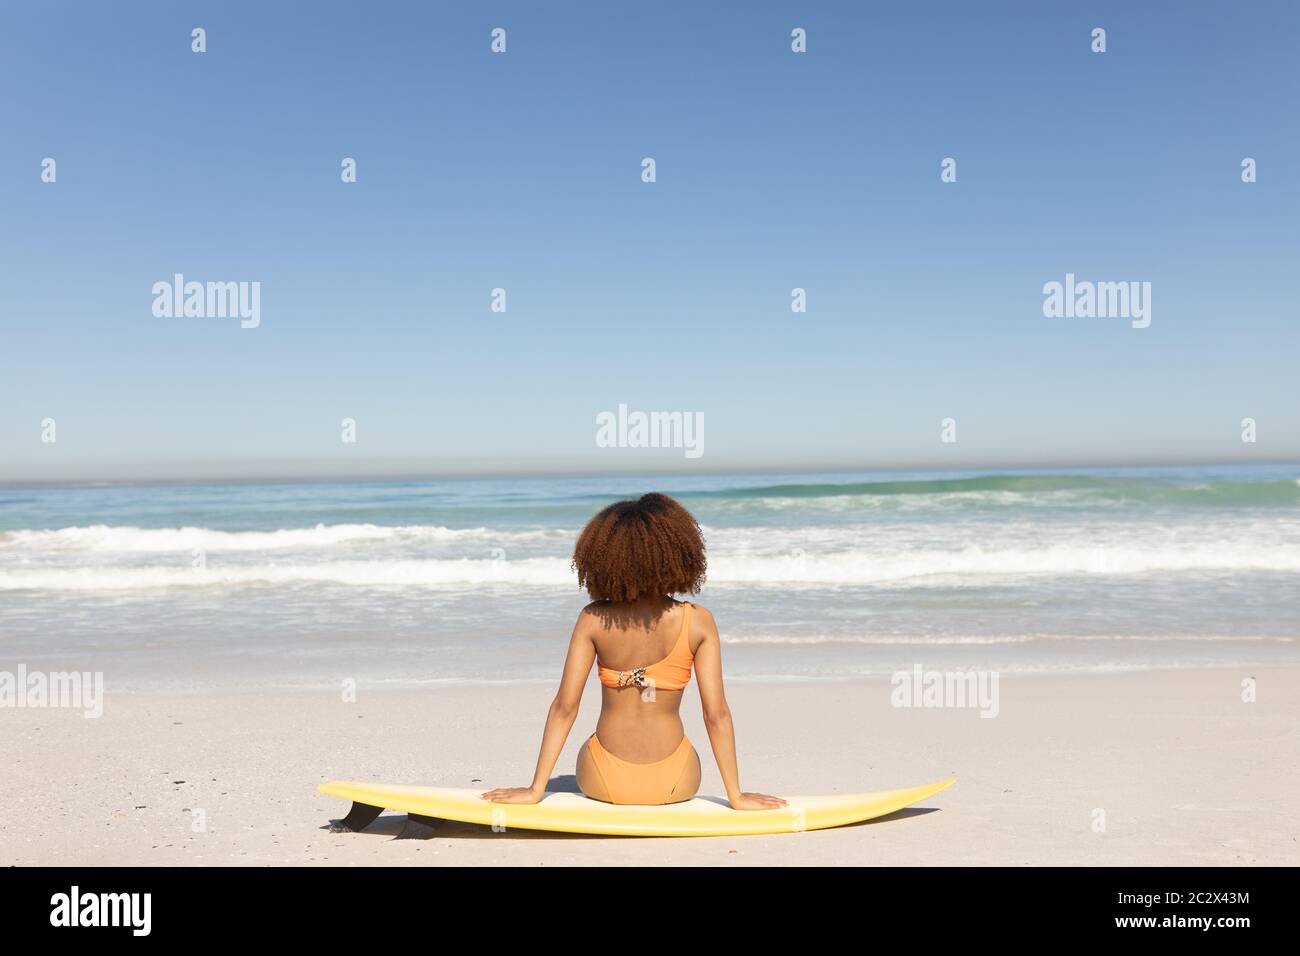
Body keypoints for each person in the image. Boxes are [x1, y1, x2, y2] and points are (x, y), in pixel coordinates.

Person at [481, 493, 786, 809]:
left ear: (605, 559)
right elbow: (716, 714)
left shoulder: (593, 619)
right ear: (679, 553)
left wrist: (535, 790)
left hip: (601, 780)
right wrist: (735, 795)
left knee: (590, 745)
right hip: (676, 781)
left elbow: (564, 707)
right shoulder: (698, 622)